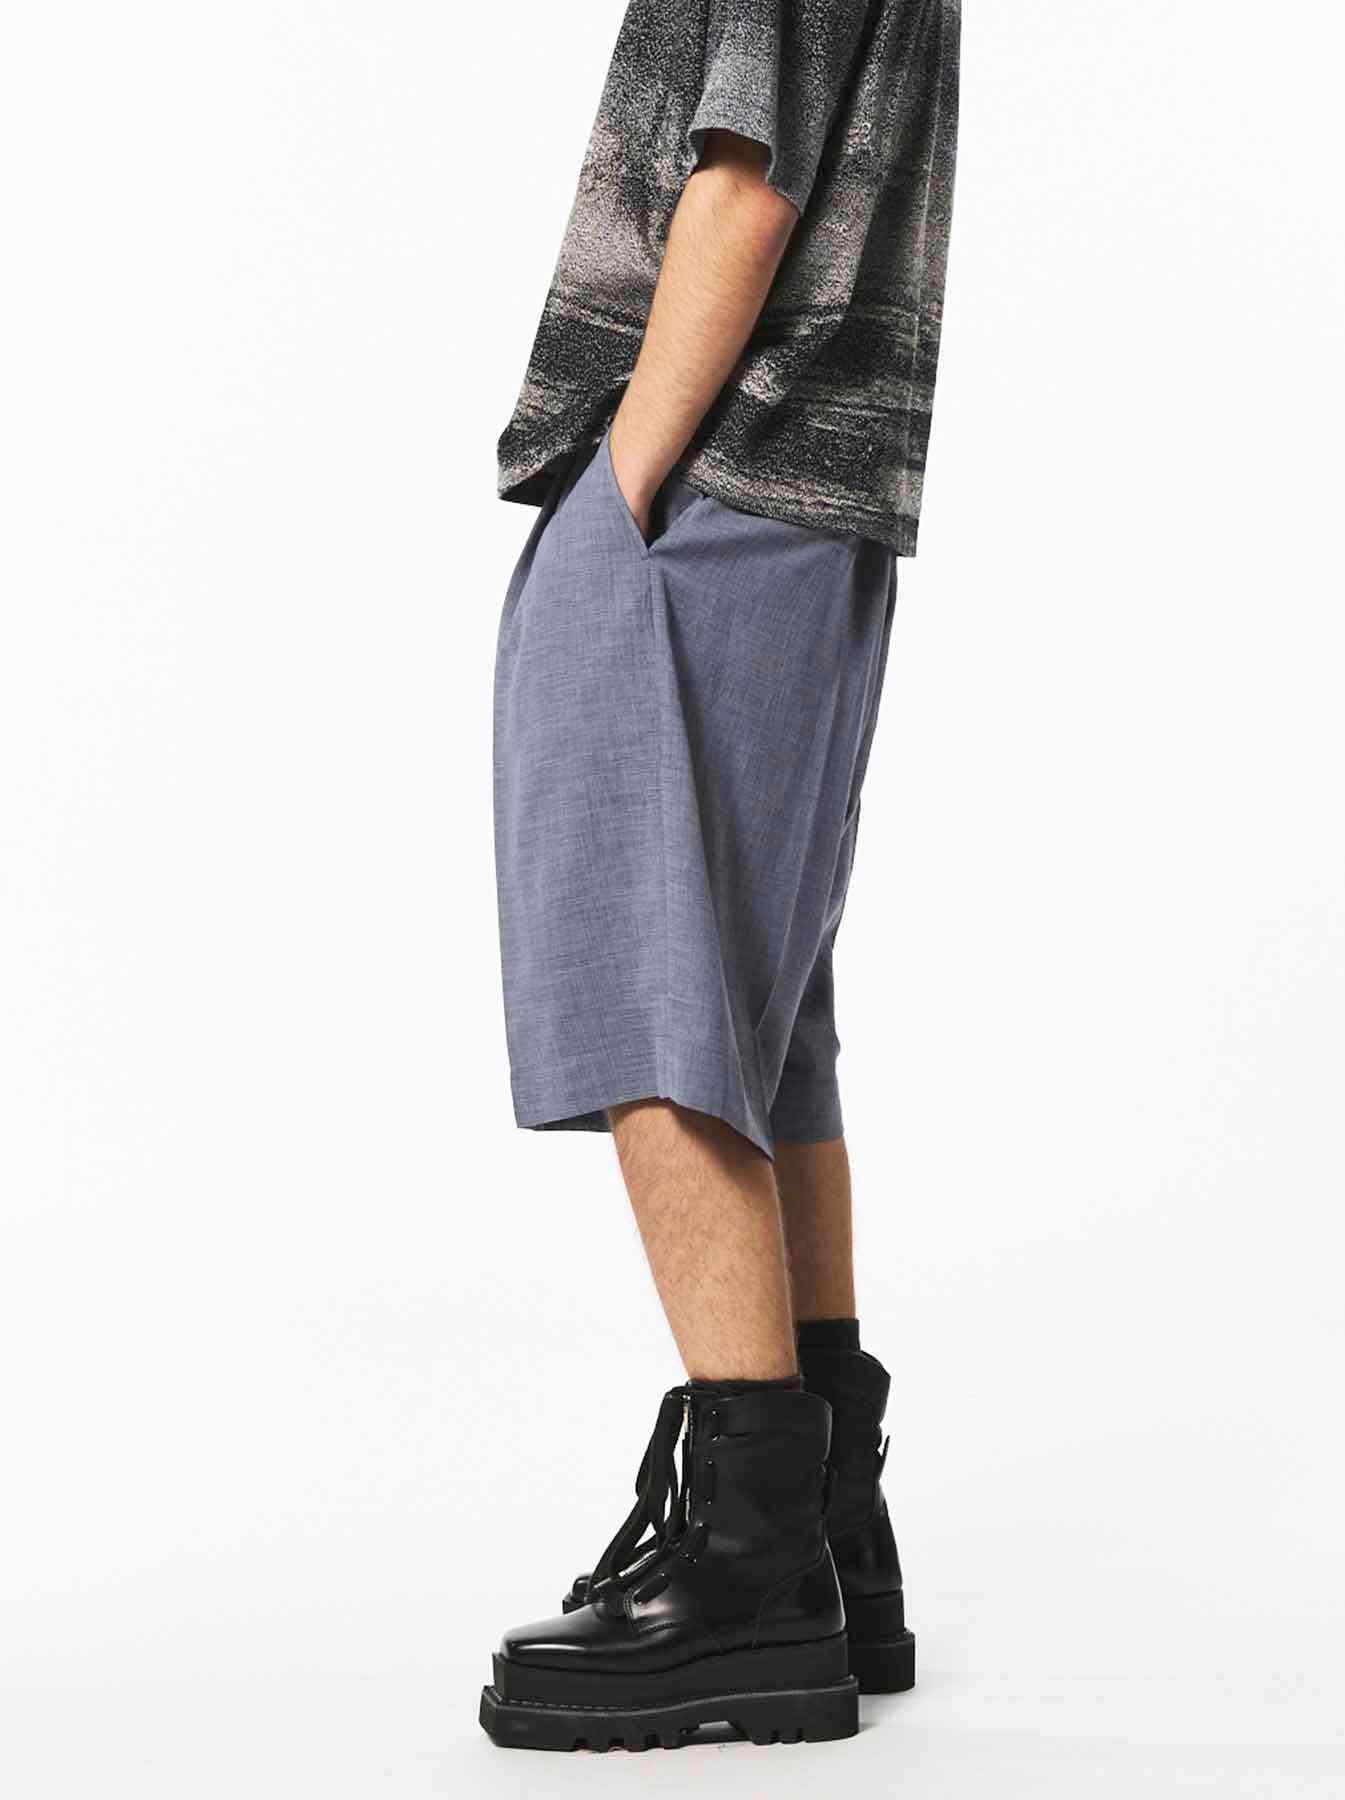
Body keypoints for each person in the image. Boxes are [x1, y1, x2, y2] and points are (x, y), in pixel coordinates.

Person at [481, 0, 961, 1753]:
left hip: (712, 485)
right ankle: (826, 1526)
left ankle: (749, 1574)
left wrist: (619, 487)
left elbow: (742, 186)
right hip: (804, 500)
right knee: (767, 1011)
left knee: (654, 986)